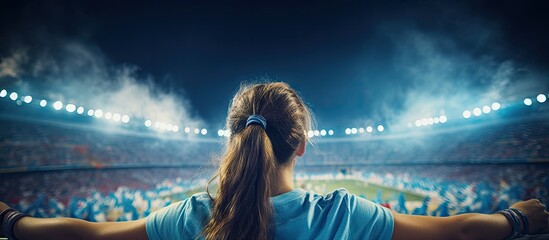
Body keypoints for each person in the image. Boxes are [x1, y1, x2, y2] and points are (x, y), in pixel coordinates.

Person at [1, 82, 548, 240]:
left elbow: (91, 238)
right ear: (302, 143)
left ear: (233, 140)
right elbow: (454, 232)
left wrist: (9, 221)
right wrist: (519, 218)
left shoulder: (192, 218)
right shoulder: (341, 215)